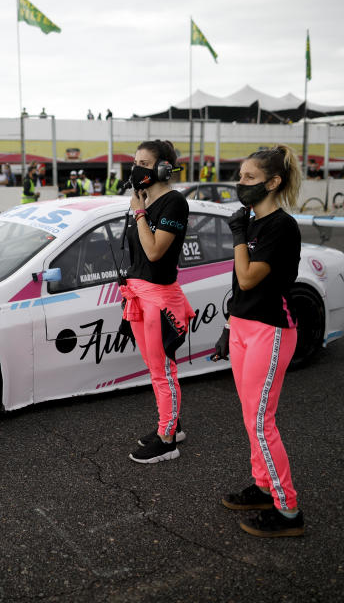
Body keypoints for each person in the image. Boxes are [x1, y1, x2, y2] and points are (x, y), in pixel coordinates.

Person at [209, 145, 304, 537]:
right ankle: (264, 486)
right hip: (244, 328)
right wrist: (230, 324)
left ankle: (288, 510)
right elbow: (239, 287)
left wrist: (237, 235)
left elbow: (248, 277)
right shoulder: (250, 222)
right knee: (252, 418)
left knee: (262, 422)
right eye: (240, 175)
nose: (240, 183)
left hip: (271, 330)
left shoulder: (281, 226)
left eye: (249, 178)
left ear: (273, 182)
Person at [122, 139, 193, 464]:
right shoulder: (147, 202)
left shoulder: (174, 202)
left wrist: (139, 212)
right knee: (157, 368)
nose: (137, 168)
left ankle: (167, 441)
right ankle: (171, 423)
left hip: (159, 300)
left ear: (163, 168)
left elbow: (154, 252)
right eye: (135, 161)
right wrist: (140, 207)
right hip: (139, 295)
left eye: (145, 162)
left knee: (163, 370)